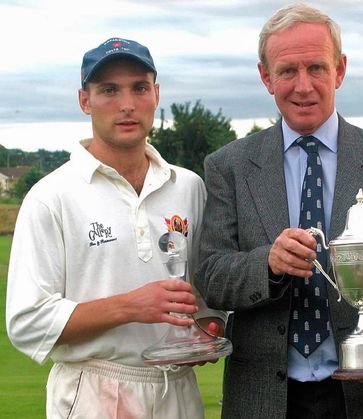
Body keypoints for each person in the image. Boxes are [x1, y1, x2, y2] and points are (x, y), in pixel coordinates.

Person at [194, 3, 363, 419]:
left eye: (317, 68)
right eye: (287, 71)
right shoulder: (228, 166)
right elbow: (212, 276)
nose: (303, 86)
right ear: (265, 76)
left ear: (340, 70)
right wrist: (267, 263)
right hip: (262, 400)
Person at [5, 37, 227, 419]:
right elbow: (27, 322)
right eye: (109, 90)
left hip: (178, 391)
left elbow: (209, 291)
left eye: (139, 88)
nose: (127, 105)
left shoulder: (188, 186)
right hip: (93, 392)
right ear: (84, 100)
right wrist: (131, 306)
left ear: (156, 94)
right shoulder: (51, 196)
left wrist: (209, 325)